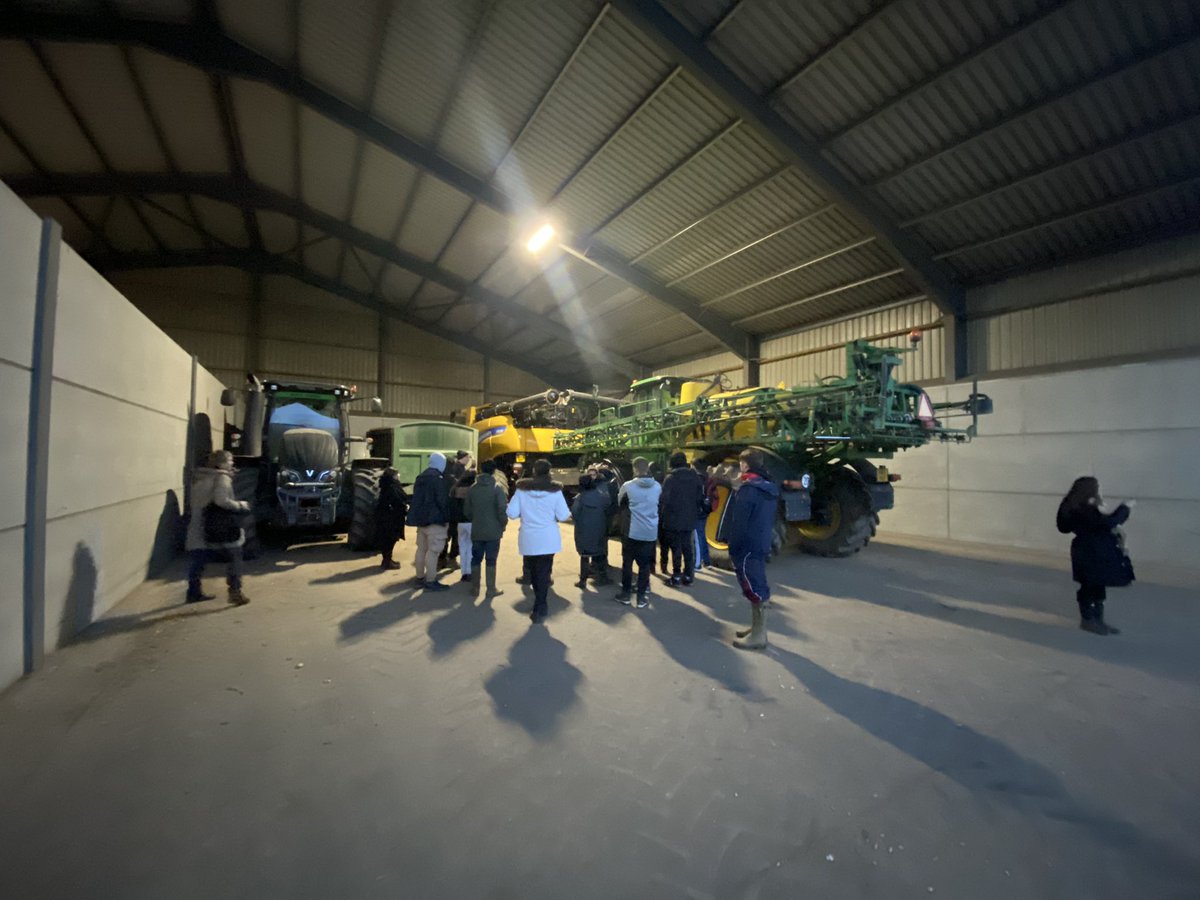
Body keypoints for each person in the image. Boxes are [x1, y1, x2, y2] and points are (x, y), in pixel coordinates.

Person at [1056, 477, 1134, 635]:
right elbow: (1105, 524)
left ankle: (1094, 620)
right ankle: (1090, 620)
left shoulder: (1073, 505)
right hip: (1093, 551)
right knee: (1092, 585)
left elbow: (1064, 527)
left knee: (1094, 584)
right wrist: (1124, 509)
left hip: (1085, 549)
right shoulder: (1083, 507)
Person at [506, 459, 571, 623]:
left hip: (529, 537)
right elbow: (564, 515)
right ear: (549, 472)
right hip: (549, 538)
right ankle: (540, 605)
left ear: (534, 471)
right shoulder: (555, 491)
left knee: (534, 572)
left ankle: (539, 604)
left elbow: (512, 513)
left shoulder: (522, 490)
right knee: (544, 571)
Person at [726, 448, 779, 650]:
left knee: (752, 585)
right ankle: (757, 627)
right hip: (761, 541)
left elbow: (739, 523)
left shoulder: (748, 490)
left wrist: (733, 548)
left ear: (745, 465)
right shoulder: (769, 487)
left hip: (746, 545)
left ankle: (759, 635)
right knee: (759, 581)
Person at [185, 450, 250, 605]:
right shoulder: (221, 477)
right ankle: (235, 592)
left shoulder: (201, 476)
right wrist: (240, 505)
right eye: (229, 460)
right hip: (217, 523)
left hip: (198, 522)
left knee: (198, 559)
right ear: (220, 463)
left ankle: (193, 592)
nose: (232, 463)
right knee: (235, 556)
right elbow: (221, 501)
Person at [615, 457, 662, 608]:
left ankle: (626, 594)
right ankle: (641, 597)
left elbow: (620, 503)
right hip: (650, 531)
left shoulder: (628, 486)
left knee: (627, 564)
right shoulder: (657, 487)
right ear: (647, 468)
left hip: (631, 531)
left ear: (635, 469)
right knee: (644, 566)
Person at [659, 451, 706, 586]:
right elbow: (699, 498)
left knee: (676, 549)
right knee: (688, 548)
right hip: (690, 518)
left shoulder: (670, 479)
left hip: (673, 519)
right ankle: (689, 576)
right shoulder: (695, 478)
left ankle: (677, 576)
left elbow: (664, 500)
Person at [406, 451, 451, 591]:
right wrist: (447, 517)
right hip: (435, 521)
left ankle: (419, 578)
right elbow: (442, 501)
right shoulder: (438, 479)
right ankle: (430, 580)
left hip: (421, 521)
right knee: (433, 552)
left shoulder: (421, 477)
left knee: (421, 550)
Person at [464, 458, 508, 596]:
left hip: (477, 530)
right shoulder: (497, 489)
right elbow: (502, 509)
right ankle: (491, 589)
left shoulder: (473, 489)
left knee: (475, 558)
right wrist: (503, 523)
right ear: (494, 471)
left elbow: (467, 511)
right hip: (494, 531)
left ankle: (475, 588)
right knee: (491, 560)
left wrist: (476, 519)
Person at [571, 474, 610, 588]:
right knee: (600, 553)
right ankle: (602, 577)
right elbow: (608, 506)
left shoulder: (580, 498)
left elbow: (575, 514)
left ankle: (583, 580)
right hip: (599, 528)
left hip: (584, 530)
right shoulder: (601, 496)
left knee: (584, 555)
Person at [450, 453, 477, 584]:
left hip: (460, 523)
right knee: (471, 548)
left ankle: (464, 573)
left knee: (463, 547)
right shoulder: (473, 491)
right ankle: (470, 572)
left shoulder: (456, 489)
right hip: (471, 523)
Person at [374, 467, 408, 570]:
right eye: (397, 474)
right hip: (392, 518)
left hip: (385, 517)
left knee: (387, 540)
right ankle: (387, 561)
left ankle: (387, 560)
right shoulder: (393, 487)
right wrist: (405, 507)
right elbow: (398, 500)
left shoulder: (385, 485)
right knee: (390, 540)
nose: (399, 476)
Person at [693, 461, 716, 570]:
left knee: (698, 537)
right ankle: (706, 561)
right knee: (702, 534)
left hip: (697, 511)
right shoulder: (709, 478)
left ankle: (698, 563)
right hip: (705, 510)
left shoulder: (696, 478)